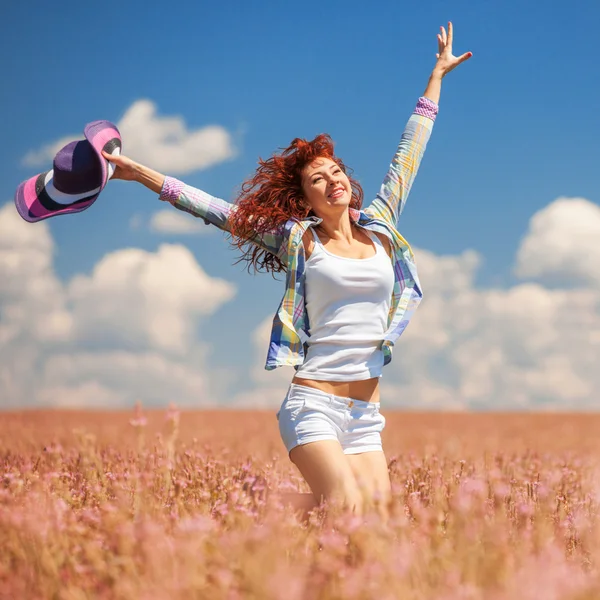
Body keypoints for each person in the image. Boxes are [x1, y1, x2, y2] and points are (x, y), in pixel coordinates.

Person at [104, 22, 471, 520]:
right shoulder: (298, 240)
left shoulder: (382, 228)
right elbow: (215, 210)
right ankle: (240, 512)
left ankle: (254, 509)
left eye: (336, 171)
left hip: (365, 416)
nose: (333, 180)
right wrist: (141, 172)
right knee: (343, 508)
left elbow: (410, 154)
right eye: (318, 179)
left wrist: (437, 77)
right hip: (312, 405)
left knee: (380, 526)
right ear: (307, 199)